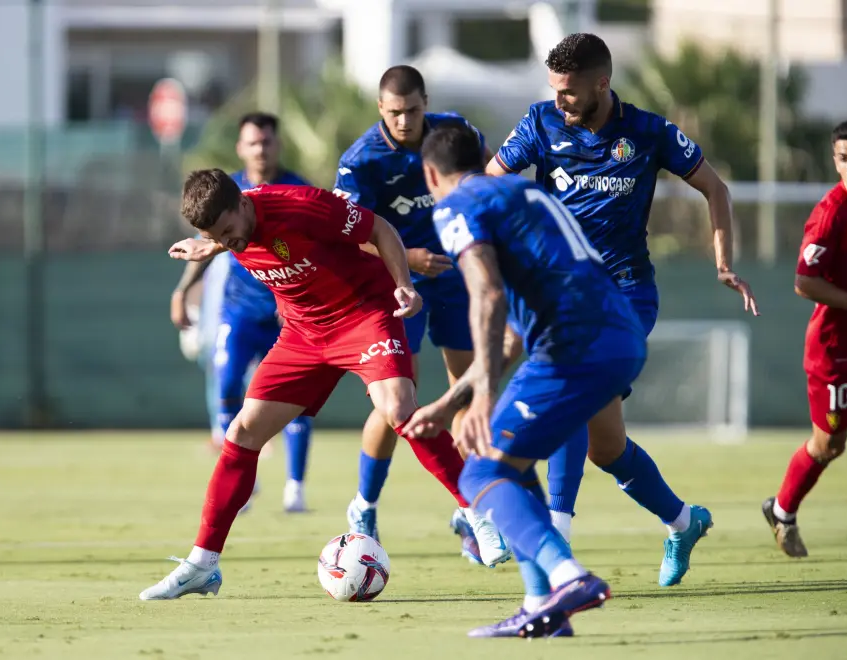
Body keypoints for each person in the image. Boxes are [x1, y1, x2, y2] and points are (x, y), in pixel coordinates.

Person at [138, 170, 506, 600]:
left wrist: (404, 286)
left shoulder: (302, 206)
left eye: (228, 231)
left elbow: (381, 229)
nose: (230, 242)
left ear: (242, 204)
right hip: (304, 333)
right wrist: (214, 245)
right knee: (241, 433)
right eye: (218, 235)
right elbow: (240, 234)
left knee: (399, 410)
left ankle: (477, 509)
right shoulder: (232, 228)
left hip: (364, 313)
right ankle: (203, 565)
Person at [406, 121, 712, 637]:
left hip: (574, 348)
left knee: (478, 474)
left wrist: (480, 398)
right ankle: (541, 604)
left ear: (431, 174)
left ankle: (568, 577)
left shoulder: (455, 204)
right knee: (516, 462)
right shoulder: (525, 191)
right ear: (484, 155)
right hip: (619, 337)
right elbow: (509, 342)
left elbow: (487, 293)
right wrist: (448, 401)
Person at [484, 33, 756, 579]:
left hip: (627, 293)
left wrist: (723, 262)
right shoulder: (540, 124)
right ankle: (683, 522)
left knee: (573, 394)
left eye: (569, 91)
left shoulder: (649, 132)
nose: (560, 100)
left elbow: (715, 188)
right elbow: (490, 185)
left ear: (602, 83)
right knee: (605, 447)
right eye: (555, 90)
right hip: (560, 295)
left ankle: (555, 537)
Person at [332, 65, 510, 568]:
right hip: (395, 286)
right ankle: (364, 506)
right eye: (395, 113)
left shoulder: (455, 133)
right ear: (380, 110)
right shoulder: (361, 161)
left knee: (469, 394)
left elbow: (488, 181)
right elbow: (350, 235)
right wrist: (407, 258)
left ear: (425, 102)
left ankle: (471, 512)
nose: (406, 121)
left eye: (413, 110)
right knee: (396, 404)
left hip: (456, 276)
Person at [171, 113, 313, 513]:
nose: (260, 149)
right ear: (240, 147)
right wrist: (183, 290)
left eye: (266, 142)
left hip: (289, 317)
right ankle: (243, 484)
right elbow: (205, 247)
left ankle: (295, 488)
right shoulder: (226, 193)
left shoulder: (297, 189)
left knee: (295, 400)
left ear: (276, 144)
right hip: (241, 314)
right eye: (253, 142)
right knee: (228, 385)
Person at [763, 119, 847, 557]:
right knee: (829, 443)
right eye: (844, 158)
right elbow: (804, 281)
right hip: (836, 350)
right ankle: (782, 509)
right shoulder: (832, 213)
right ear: (835, 161)